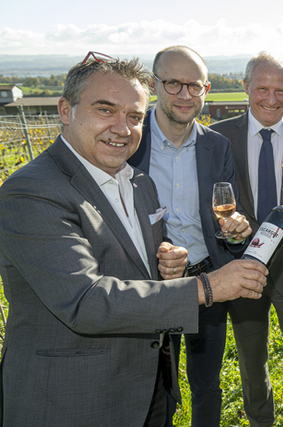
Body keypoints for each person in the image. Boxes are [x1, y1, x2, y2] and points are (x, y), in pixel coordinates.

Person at [0, 54, 267, 427]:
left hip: (148, 387)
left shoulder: (140, 183)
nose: (122, 128)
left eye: (135, 117)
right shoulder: (31, 191)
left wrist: (167, 263)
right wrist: (207, 286)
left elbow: (140, 265)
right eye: (105, 110)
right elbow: (85, 301)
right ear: (65, 110)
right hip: (74, 398)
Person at [127, 45, 250, 427]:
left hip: (207, 278)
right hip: (149, 283)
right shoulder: (130, 141)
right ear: (153, 85)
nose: (184, 95)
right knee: (153, 383)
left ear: (206, 89)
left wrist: (237, 228)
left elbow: (226, 210)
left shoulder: (217, 146)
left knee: (206, 383)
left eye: (193, 86)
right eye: (173, 84)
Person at [210, 51, 283, 427]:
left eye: (282, 90)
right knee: (250, 356)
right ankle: (261, 420)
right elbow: (212, 200)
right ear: (245, 87)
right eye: (262, 88)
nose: (272, 99)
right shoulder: (219, 136)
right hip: (241, 266)